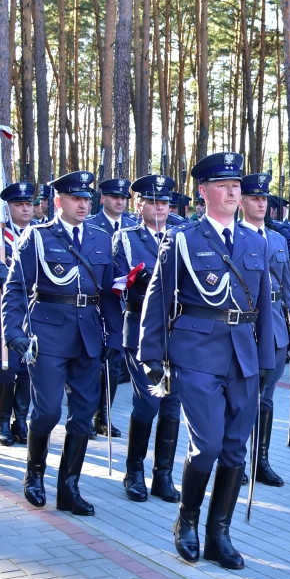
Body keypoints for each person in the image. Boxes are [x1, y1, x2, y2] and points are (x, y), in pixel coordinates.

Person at [138, 151, 274, 570]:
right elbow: (158, 299)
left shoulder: (254, 240)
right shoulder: (183, 238)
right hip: (196, 352)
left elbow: (265, 303)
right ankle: (187, 521)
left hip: (244, 355)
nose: (234, 192)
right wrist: (153, 358)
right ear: (203, 191)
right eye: (223, 185)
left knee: (236, 449)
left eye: (237, 186)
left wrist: (266, 359)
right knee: (209, 443)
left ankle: (220, 532)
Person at [2, 170, 123, 516]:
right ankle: (34, 474)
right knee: (48, 411)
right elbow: (15, 288)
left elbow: (109, 293)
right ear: (58, 201)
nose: (83, 204)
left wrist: (114, 336)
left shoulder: (101, 237)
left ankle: (69, 487)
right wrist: (14, 331)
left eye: (87, 199)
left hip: (88, 335)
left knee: (83, 416)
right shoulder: (37, 237)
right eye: (75, 198)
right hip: (48, 333)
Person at [114, 174, 183, 502]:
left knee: (172, 407)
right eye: (153, 202)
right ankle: (134, 471)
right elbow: (122, 280)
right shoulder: (127, 237)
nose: (159, 208)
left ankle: (163, 475)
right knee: (148, 404)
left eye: (165, 203)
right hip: (142, 332)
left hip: (178, 334)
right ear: (139, 204)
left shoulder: (181, 235)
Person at [240, 172, 290, 485]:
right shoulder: (233, 237)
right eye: (255, 198)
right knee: (241, 398)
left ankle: (262, 460)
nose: (261, 204)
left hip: (276, 327)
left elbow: (287, 287)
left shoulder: (277, 240)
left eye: (265, 199)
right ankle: (236, 462)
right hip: (246, 327)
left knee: (266, 398)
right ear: (241, 201)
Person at [0, 181, 36, 446]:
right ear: (8, 207)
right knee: (6, 368)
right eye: (18, 205)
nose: (25, 209)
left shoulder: (41, 232)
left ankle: (20, 420)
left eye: (28, 204)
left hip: (32, 309)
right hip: (2, 305)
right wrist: (0, 271)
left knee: (26, 368)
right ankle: (2, 421)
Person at [88, 178, 136, 438]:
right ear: (103, 198)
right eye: (114, 197)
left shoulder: (132, 227)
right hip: (96, 303)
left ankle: (103, 414)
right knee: (91, 361)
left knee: (114, 363)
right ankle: (85, 414)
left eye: (123, 197)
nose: (120, 201)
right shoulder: (90, 225)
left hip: (124, 306)